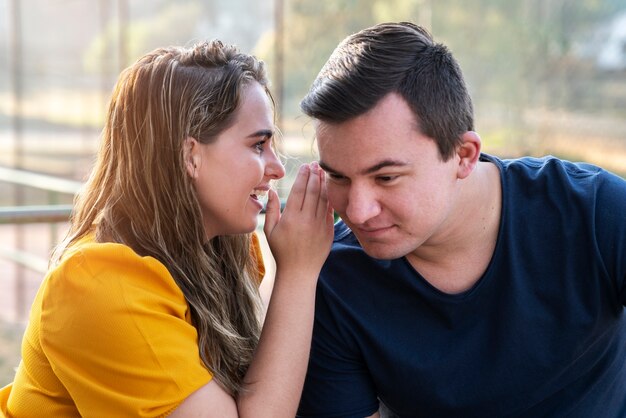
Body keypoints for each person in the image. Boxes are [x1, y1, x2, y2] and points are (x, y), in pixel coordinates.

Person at [296, 21, 626, 418]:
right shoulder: (334, 280)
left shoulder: (595, 212)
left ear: (464, 155)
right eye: (338, 176)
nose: (358, 210)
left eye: (386, 177)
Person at [0, 40, 334, 417]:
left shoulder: (225, 250)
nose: (276, 168)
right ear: (191, 154)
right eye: (258, 145)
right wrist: (298, 272)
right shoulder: (98, 285)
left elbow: (267, 377)